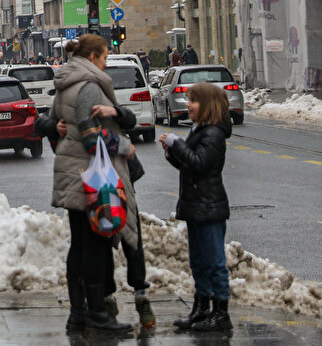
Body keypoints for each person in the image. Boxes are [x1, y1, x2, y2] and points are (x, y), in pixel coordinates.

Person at [46, 36, 142, 333]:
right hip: (91, 178)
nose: (106, 62)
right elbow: (91, 137)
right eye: (104, 57)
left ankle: (78, 313)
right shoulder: (88, 86)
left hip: (72, 173)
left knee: (79, 245)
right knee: (95, 246)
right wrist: (124, 146)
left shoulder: (66, 83)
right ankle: (97, 313)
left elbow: (52, 122)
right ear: (92, 57)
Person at [160, 82, 233, 332]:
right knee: (199, 261)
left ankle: (221, 313)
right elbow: (189, 166)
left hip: (209, 207)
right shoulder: (201, 130)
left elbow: (200, 164)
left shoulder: (213, 133)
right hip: (197, 205)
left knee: (214, 261)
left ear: (207, 105)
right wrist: (173, 154)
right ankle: (201, 308)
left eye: (193, 101)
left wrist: (176, 143)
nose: (187, 105)